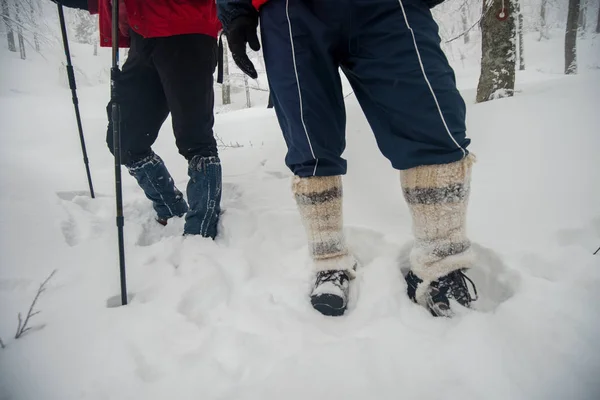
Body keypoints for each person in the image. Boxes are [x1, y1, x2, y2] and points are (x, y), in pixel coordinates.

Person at [217, 0, 478, 316]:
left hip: (388, 7)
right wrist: (234, 11)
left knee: (432, 124)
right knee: (309, 142)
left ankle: (440, 260)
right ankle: (329, 259)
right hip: (288, 10)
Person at [53, 0, 223, 239]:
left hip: (186, 29)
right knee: (125, 139)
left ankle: (200, 234)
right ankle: (171, 208)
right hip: (142, 34)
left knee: (195, 139)